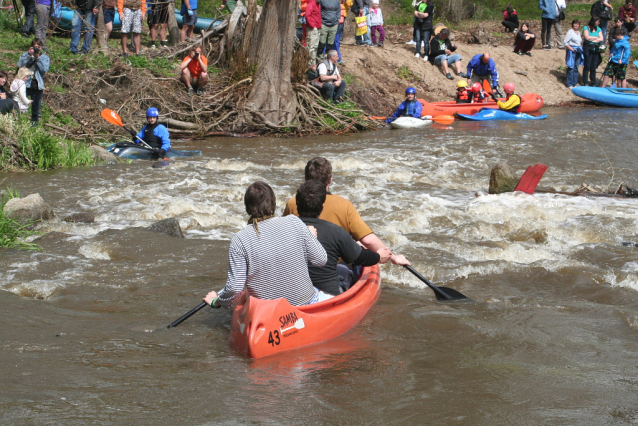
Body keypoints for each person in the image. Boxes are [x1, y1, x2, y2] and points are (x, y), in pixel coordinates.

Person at [203, 181, 330, 309]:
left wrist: (216, 301)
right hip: (306, 304)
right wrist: (312, 238)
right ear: (273, 203)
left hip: (267, 313)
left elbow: (235, 288)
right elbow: (321, 259)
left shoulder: (239, 239)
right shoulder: (294, 222)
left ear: (248, 208)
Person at [284, 157, 410, 266]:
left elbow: (284, 235)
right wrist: (393, 257)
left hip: (301, 264)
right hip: (335, 266)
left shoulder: (293, 202)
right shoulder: (344, 205)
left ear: (305, 179)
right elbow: (368, 241)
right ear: (330, 180)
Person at [297, 180, 390, 295]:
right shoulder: (335, 231)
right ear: (322, 206)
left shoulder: (284, 229)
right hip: (329, 296)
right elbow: (362, 258)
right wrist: (378, 256)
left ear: (297, 205)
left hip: (294, 295)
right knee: (347, 266)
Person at [17, 38, 50, 126]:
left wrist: (38, 58)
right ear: (31, 47)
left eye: (38, 47)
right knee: (20, 102)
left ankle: (34, 122)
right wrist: (29, 55)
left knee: (36, 106)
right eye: (35, 47)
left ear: (41, 47)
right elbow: (20, 66)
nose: (36, 49)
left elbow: (44, 70)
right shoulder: (25, 55)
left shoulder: (44, 58)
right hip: (25, 84)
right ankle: (18, 120)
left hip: (37, 85)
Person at [582, 16, 604, 87]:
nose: (599, 23)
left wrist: (592, 40)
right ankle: (585, 81)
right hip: (588, 48)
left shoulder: (599, 29)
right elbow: (587, 37)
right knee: (587, 66)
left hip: (595, 49)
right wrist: (596, 38)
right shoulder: (586, 28)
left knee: (593, 66)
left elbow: (601, 39)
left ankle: (593, 81)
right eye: (598, 21)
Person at [564, 19, 583, 88]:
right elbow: (565, 42)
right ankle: (569, 83)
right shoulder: (570, 32)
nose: (576, 25)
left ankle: (574, 83)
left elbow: (579, 42)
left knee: (576, 67)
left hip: (578, 50)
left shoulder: (578, 32)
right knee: (571, 67)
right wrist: (571, 48)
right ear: (572, 24)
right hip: (572, 51)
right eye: (575, 24)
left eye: (577, 24)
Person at [306, 0, 321, 66]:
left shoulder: (318, 4)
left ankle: (313, 63)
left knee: (315, 46)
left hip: (318, 28)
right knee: (311, 46)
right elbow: (307, 15)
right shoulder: (311, 3)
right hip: (313, 28)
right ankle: (309, 64)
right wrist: (312, 26)